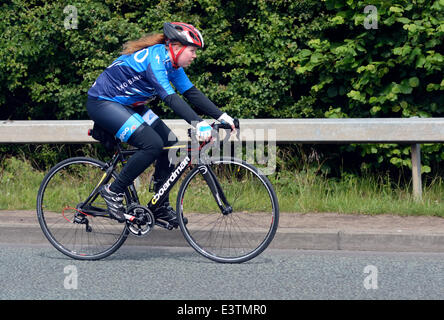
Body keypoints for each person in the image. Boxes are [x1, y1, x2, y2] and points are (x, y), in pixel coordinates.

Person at [86, 22, 235, 227]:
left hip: (131, 105)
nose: (194, 55)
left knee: (170, 143)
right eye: (192, 50)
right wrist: (199, 124)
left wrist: (222, 116)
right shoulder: (155, 60)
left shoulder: (172, 64)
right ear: (175, 46)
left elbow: (190, 92)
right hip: (104, 102)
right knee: (152, 144)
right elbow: (170, 98)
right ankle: (113, 191)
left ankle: (159, 203)